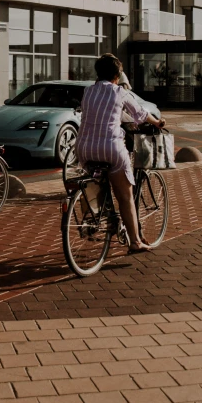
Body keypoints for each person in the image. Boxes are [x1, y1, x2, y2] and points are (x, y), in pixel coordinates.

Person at [75, 53, 165, 254]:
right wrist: (158, 123)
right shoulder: (120, 93)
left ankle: (100, 215)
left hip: (84, 148)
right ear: (117, 75)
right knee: (125, 196)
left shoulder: (88, 91)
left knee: (97, 181)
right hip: (110, 148)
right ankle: (135, 242)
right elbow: (140, 114)